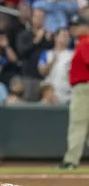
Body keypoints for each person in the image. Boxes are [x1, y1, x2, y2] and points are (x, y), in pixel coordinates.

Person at [59, 15, 89, 170]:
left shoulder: (85, 42)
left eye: (77, 25)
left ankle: (71, 160)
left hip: (84, 88)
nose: (73, 29)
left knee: (77, 124)